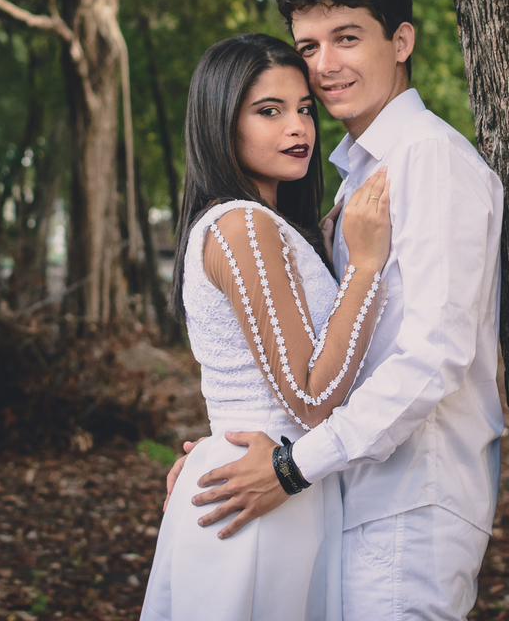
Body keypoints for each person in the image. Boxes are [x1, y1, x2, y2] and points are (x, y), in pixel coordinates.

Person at [165, 0, 505, 619]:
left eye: (346, 38)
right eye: (309, 45)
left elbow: (434, 355)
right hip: (343, 495)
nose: (324, 66)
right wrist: (227, 449)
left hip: (408, 503)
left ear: (400, 41)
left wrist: (290, 465)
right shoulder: (356, 179)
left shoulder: (429, 159)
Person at [139, 33, 393, 621]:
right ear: (221, 123)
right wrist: (365, 266)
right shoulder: (242, 226)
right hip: (261, 495)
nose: (298, 127)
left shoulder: (260, 226)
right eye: (269, 111)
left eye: (304, 109)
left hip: (271, 484)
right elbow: (311, 398)